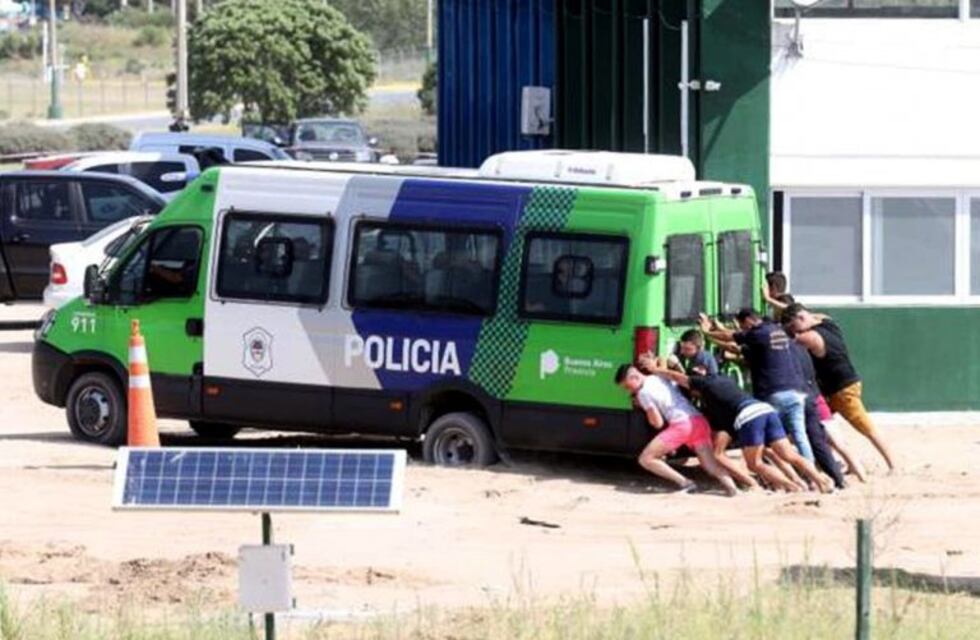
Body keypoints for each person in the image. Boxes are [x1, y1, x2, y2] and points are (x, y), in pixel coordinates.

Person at [643, 359, 833, 494]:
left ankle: (794, 487)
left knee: (754, 464)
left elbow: (676, 377)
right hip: (764, 409)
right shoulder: (724, 380)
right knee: (789, 454)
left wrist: (655, 370)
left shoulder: (704, 384)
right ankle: (820, 480)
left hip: (748, 417)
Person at [781, 303, 896, 471]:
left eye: (794, 326)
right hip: (841, 387)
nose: (795, 331)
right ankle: (849, 462)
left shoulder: (810, 337)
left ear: (801, 318)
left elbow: (786, 342)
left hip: (841, 390)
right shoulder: (827, 322)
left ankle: (892, 464)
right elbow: (815, 314)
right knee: (822, 425)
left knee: (867, 428)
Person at [699, 309, 815, 464]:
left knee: (769, 437)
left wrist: (707, 333)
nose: (743, 329)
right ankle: (811, 470)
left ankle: (775, 472)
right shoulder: (776, 330)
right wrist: (718, 328)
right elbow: (736, 341)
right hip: (795, 392)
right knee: (800, 436)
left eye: (743, 325)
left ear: (748, 321)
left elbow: (731, 337)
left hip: (774, 392)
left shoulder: (758, 333)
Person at [614, 364, 739, 496]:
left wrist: (645, 409)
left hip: (681, 425)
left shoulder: (643, 393)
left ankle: (686, 483)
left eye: (627, 386)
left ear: (634, 377)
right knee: (710, 465)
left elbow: (657, 422)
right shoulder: (659, 378)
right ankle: (732, 488)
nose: (629, 391)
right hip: (699, 421)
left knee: (646, 459)